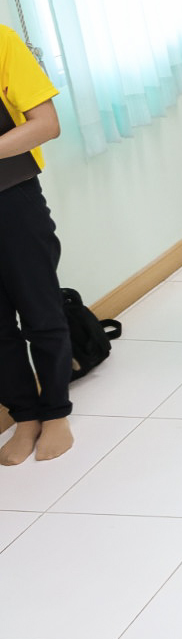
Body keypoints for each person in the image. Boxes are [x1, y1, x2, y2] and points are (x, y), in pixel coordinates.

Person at [0, 24, 73, 466]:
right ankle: (24, 414)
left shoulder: (2, 41)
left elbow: (46, 124)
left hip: (11, 197)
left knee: (39, 308)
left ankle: (56, 410)